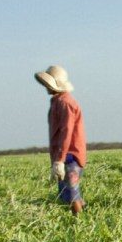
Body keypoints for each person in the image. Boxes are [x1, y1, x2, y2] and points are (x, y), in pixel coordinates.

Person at [35, 64, 87, 214]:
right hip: (65, 154)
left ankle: (80, 224)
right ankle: (83, 216)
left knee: (72, 193)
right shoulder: (58, 101)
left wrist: (60, 159)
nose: (45, 87)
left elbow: (66, 132)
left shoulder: (65, 103)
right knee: (68, 191)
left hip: (70, 154)